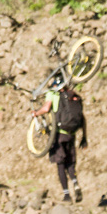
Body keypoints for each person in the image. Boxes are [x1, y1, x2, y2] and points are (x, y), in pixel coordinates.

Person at [46, 73, 87, 202]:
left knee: (60, 164)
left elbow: (46, 108)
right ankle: (75, 182)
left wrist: (36, 113)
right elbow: (83, 119)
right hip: (72, 134)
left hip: (59, 134)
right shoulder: (73, 96)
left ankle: (66, 195)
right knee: (70, 163)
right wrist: (84, 137)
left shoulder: (54, 94)